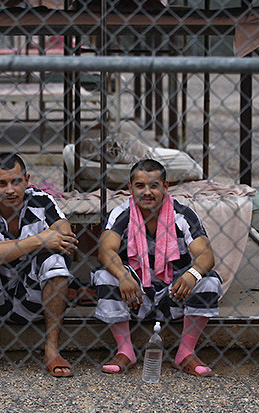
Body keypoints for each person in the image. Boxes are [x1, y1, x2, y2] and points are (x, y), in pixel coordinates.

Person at [93, 159, 221, 376]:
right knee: (105, 276)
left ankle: (185, 353)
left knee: (209, 280)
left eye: (154, 185)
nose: (147, 192)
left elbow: (206, 254)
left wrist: (192, 274)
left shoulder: (182, 215)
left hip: (175, 292)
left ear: (166, 187)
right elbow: (105, 250)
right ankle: (125, 351)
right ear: (130, 187)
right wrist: (123, 275)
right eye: (140, 186)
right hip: (134, 294)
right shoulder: (121, 214)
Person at [0, 153, 77, 377]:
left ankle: (51, 350)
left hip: (34, 297)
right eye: (1, 183)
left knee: (55, 261)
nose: (10, 190)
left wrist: (0, 250)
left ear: (27, 180)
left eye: (16, 182)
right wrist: (40, 240)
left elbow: (65, 235)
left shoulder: (42, 201)